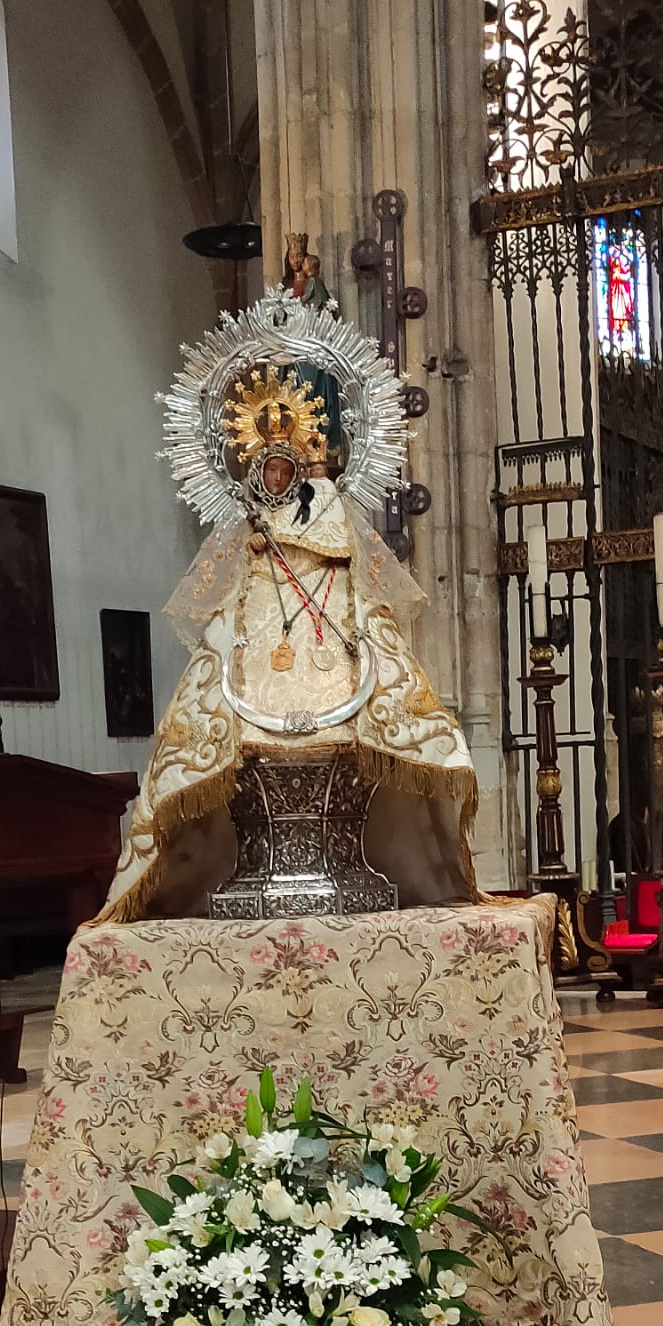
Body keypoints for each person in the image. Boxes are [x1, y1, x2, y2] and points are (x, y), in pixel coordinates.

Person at [98, 338, 479, 921]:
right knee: (213, 709)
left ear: (298, 472)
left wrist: (291, 534)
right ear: (256, 471)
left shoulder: (322, 504)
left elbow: (338, 544)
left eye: (285, 469)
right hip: (260, 631)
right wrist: (253, 547)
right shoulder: (246, 523)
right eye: (268, 469)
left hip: (324, 629)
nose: (277, 478)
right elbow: (221, 577)